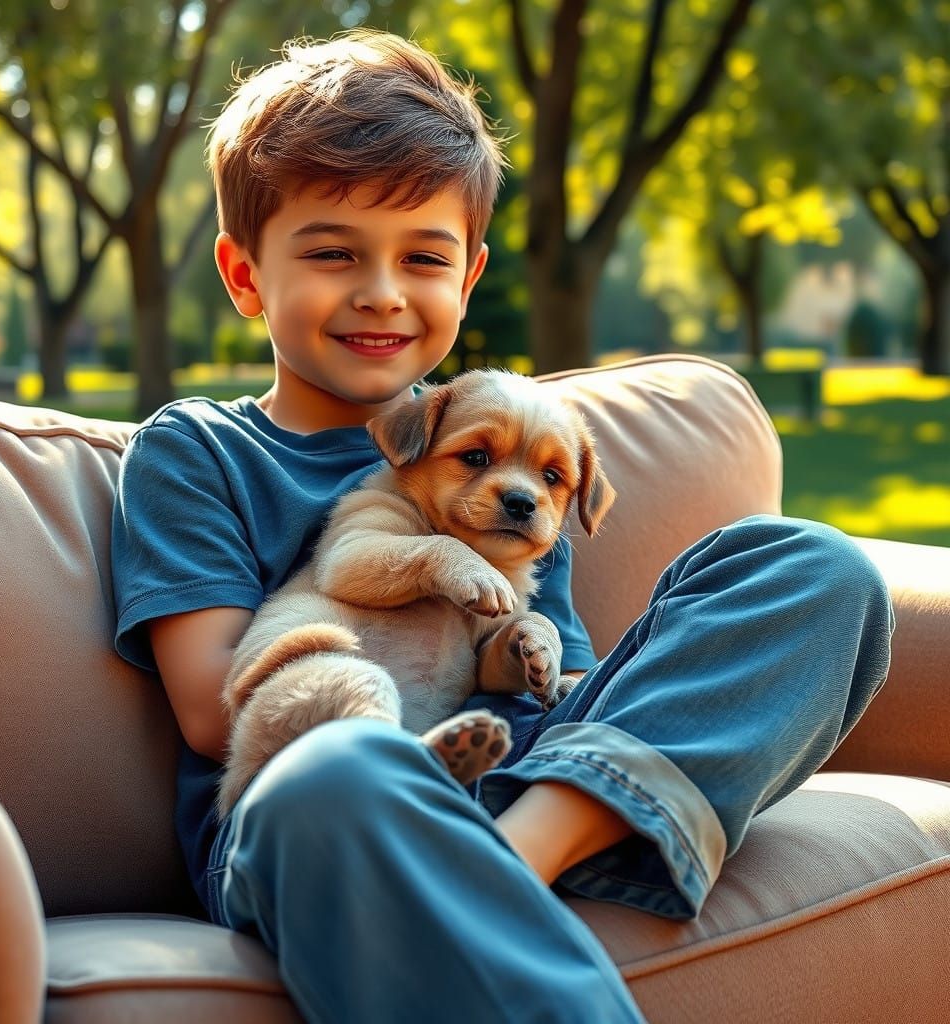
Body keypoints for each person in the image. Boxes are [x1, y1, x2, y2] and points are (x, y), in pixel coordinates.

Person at [110, 29, 894, 1023]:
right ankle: (475, 864)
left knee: (810, 569)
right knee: (343, 761)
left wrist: (535, 680)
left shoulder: (514, 450)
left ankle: (513, 858)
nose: (382, 290)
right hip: (318, 805)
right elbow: (217, 709)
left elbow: (546, 679)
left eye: (422, 256)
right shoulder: (197, 451)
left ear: (468, 276)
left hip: (514, 779)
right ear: (244, 273)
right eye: (331, 252)